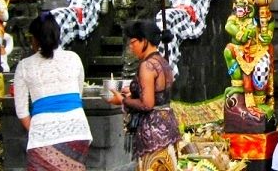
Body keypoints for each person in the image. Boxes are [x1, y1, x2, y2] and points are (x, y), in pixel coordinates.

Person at [13, 13, 92, 171]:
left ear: (35, 39)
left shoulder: (24, 66)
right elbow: (79, 94)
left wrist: (40, 128)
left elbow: (22, 111)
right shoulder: (74, 58)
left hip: (43, 134)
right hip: (78, 130)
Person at [107, 20, 182, 171]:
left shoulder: (147, 66)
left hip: (153, 133)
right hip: (168, 127)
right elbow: (158, 93)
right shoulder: (163, 61)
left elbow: (147, 104)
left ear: (145, 41)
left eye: (133, 42)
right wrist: (134, 91)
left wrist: (122, 100)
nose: (131, 46)